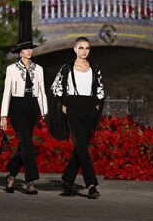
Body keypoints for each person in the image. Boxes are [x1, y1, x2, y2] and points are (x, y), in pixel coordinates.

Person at [0, 1, 48, 194]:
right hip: (17, 106)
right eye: (26, 48)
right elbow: (6, 93)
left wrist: (45, 112)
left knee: (25, 143)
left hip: (32, 106)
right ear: (20, 52)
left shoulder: (39, 69)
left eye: (31, 48)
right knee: (26, 142)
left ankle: (11, 174)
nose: (29, 51)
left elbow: (42, 91)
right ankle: (30, 181)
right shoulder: (11, 69)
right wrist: (3, 116)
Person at [51, 37, 104, 199]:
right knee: (81, 145)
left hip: (89, 109)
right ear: (75, 49)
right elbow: (56, 87)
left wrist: (96, 105)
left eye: (87, 48)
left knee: (81, 148)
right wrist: (63, 103)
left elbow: (100, 88)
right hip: (73, 108)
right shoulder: (67, 68)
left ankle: (67, 181)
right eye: (81, 48)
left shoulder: (94, 68)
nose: (84, 51)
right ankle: (91, 184)